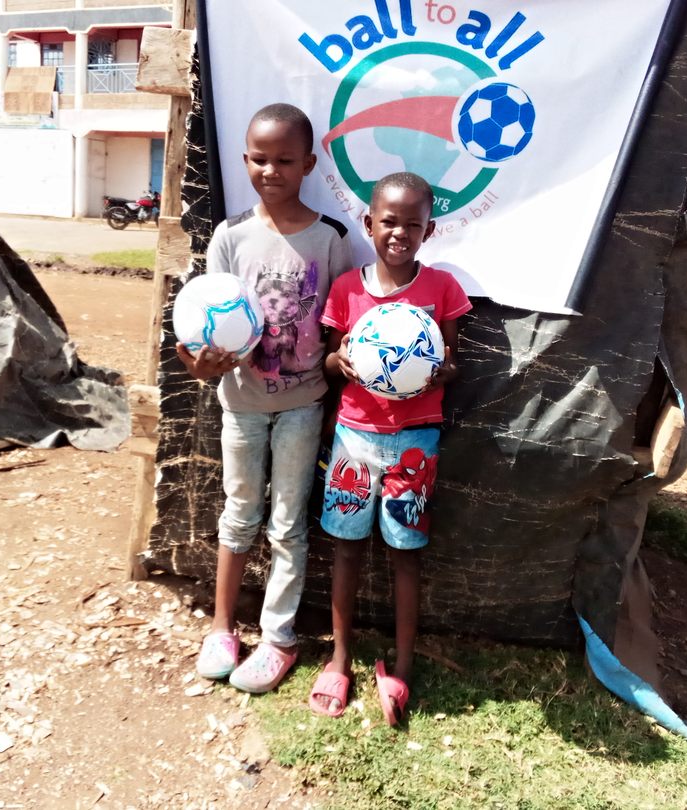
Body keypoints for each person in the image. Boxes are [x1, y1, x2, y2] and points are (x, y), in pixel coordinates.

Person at [176, 103, 353, 693]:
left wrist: (334, 389)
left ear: (309, 164)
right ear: (244, 160)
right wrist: (201, 367)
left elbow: (339, 331)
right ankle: (222, 628)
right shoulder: (230, 236)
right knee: (239, 513)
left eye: (284, 160)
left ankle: (279, 639)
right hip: (241, 404)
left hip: (304, 403)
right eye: (258, 159)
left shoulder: (331, 240)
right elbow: (201, 333)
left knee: (287, 524)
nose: (270, 170)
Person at [309, 172, 472, 724]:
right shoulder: (346, 290)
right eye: (389, 222)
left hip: (415, 441)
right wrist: (340, 362)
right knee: (346, 547)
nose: (399, 233)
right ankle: (339, 657)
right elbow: (330, 361)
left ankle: (401, 666)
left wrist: (440, 371)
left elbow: (453, 362)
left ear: (430, 230)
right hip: (354, 437)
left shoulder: (441, 289)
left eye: (412, 224)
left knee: (406, 552)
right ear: (368, 224)